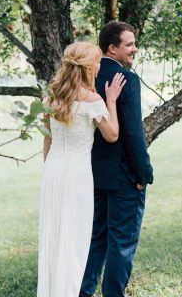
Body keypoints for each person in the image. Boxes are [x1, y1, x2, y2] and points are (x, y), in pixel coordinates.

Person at [37, 41, 126, 297]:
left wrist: (50, 169)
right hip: (77, 174)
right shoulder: (92, 99)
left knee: (53, 236)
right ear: (88, 68)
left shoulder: (50, 97)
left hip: (53, 171)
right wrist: (111, 101)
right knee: (74, 238)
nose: (100, 67)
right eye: (97, 62)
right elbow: (112, 135)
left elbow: (47, 140)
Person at [79, 21, 154, 297]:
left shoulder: (87, 79)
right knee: (122, 242)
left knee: (97, 239)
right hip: (124, 177)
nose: (134, 49)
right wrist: (143, 173)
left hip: (94, 175)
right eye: (129, 44)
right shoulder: (126, 80)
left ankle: (83, 293)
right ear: (112, 48)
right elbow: (134, 133)